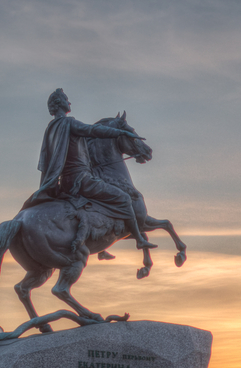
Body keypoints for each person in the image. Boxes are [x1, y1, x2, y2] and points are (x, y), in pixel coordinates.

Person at [22, 88, 157, 251]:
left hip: (64, 183)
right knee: (124, 199)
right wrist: (118, 132)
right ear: (58, 104)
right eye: (66, 99)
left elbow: (44, 163)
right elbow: (93, 131)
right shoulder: (68, 123)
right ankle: (139, 239)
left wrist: (45, 188)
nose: (69, 102)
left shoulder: (50, 129)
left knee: (99, 205)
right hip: (81, 180)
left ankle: (102, 248)